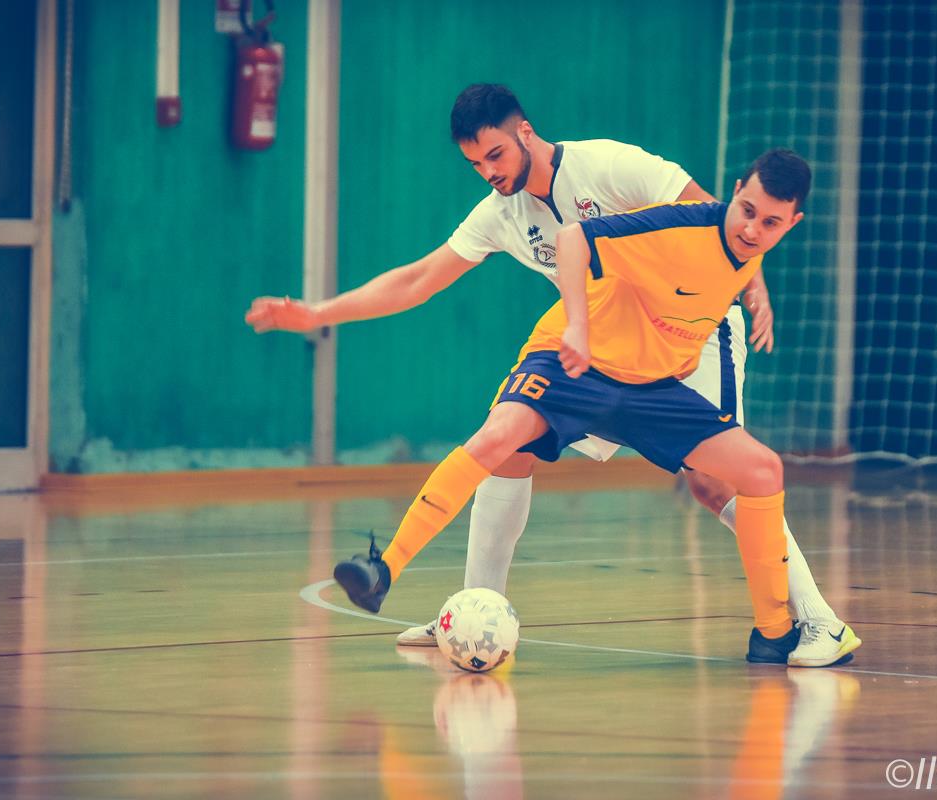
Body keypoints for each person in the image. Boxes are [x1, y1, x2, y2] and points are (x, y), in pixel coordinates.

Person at [246, 85, 858, 666]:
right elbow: (417, 280)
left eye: (495, 154)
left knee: (717, 484)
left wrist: (753, 283)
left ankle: (816, 619)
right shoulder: (500, 214)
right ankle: (472, 611)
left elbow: (718, 217)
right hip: (597, 345)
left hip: (693, 334)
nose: (488, 172)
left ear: (525, 132)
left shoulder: (608, 165)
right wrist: (318, 314)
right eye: (475, 163)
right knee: (509, 446)